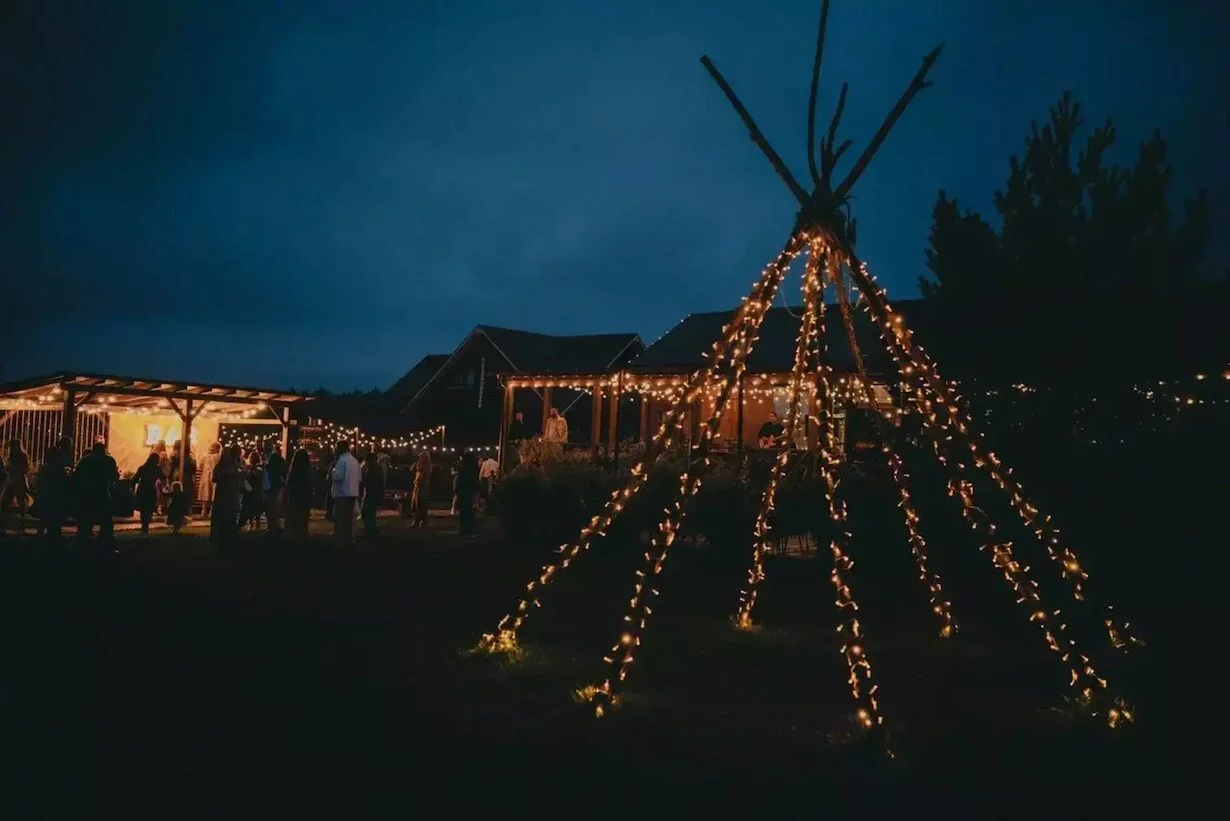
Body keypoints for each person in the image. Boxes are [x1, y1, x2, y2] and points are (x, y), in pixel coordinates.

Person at [73, 441, 119, 548]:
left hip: (87, 493)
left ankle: (83, 541)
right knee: (106, 520)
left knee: (86, 518)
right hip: (103, 492)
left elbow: (76, 476)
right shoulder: (109, 461)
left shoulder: (85, 460)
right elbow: (115, 476)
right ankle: (105, 541)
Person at [36, 437, 74, 542]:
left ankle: (48, 530)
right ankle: (53, 530)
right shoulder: (63, 456)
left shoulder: (56, 455)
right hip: (58, 486)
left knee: (50, 509)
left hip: (52, 486)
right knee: (56, 509)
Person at [210, 446, 244, 552]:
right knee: (225, 518)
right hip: (225, 496)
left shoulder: (235, 465)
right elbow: (215, 477)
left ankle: (226, 541)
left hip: (229, 496)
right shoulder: (226, 466)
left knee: (227, 518)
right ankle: (223, 541)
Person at [330, 441, 361, 545]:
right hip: (352, 493)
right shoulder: (355, 461)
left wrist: (333, 472)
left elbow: (338, 476)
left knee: (341, 519)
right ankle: (349, 539)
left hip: (342, 493)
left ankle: (341, 541)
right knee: (348, 519)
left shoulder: (342, 461)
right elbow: (359, 478)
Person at [1, 439, 31, 537]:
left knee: (4, 503)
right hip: (19, 482)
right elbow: (26, 469)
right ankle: (22, 526)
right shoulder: (23, 456)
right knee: (21, 505)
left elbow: (9, 469)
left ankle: (3, 525)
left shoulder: (13, 456)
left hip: (13, 481)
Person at [133, 452, 166, 534]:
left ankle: (144, 526)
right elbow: (163, 478)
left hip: (142, 489)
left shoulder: (143, 468)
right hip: (151, 489)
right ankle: (145, 526)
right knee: (149, 508)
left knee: (143, 509)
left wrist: (133, 487)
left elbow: (135, 479)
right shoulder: (157, 469)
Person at [283, 449, 313, 540]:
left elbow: (289, 485)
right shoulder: (308, 471)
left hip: (294, 497)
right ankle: (303, 535)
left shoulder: (293, 471)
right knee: (303, 518)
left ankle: (292, 535)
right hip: (304, 498)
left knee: (293, 517)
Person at [263, 442, 287, 536]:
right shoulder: (270, 456)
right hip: (272, 484)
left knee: (271, 506)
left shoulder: (273, 457)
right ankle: (272, 526)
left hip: (273, 484)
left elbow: (278, 468)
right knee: (271, 506)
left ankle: (273, 527)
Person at [360, 451, 385, 539]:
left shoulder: (374, 468)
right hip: (371, 492)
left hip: (371, 492)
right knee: (368, 513)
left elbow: (375, 481)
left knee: (368, 512)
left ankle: (371, 530)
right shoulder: (374, 467)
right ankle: (371, 529)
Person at [455, 451, 480, 538]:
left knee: (463, 511)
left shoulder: (463, 467)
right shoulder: (474, 467)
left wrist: (456, 490)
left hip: (463, 491)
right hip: (470, 491)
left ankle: (464, 529)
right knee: (469, 511)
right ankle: (471, 529)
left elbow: (459, 479)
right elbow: (476, 481)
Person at [197, 442, 221, 517]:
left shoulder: (205, 455)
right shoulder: (218, 456)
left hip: (205, 475)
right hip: (215, 476)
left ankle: (203, 510)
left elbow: (200, 465)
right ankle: (211, 511)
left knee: (206, 493)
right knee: (213, 494)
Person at [410, 450, 431, 528]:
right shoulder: (418, 464)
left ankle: (421, 521)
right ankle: (420, 520)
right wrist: (416, 464)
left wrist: (420, 467)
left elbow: (426, 473)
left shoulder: (428, 466)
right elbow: (411, 469)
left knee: (422, 504)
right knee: (416, 504)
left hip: (424, 487)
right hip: (417, 487)